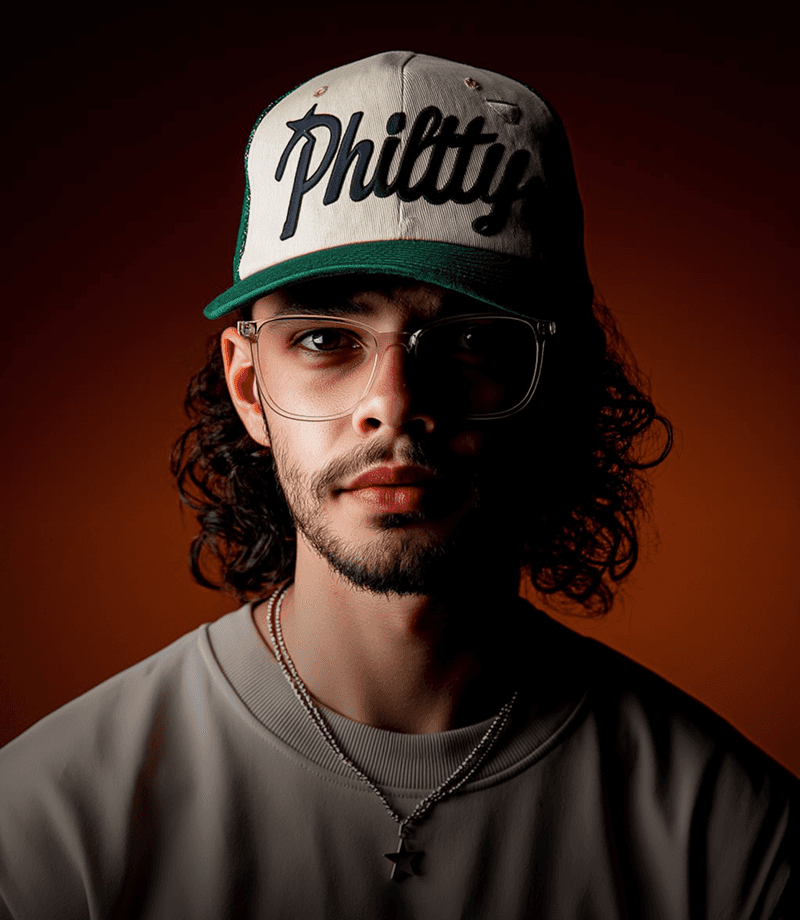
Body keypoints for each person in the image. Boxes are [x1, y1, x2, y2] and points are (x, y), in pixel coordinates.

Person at [0, 50, 796, 919]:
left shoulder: (737, 839)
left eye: (471, 340)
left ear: (559, 381)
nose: (393, 405)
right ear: (247, 385)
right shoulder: (44, 826)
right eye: (324, 339)